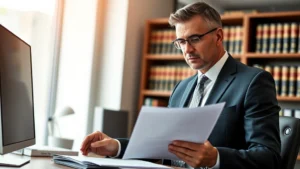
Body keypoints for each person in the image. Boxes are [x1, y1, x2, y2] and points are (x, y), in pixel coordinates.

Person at [81, 2, 281, 169]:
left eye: (194, 39)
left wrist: (216, 158)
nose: (187, 50)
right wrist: (115, 146)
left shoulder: (253, 82)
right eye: (181, 42)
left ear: (218, 36)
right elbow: (158, 147)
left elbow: (269, 157)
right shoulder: (181, 88)